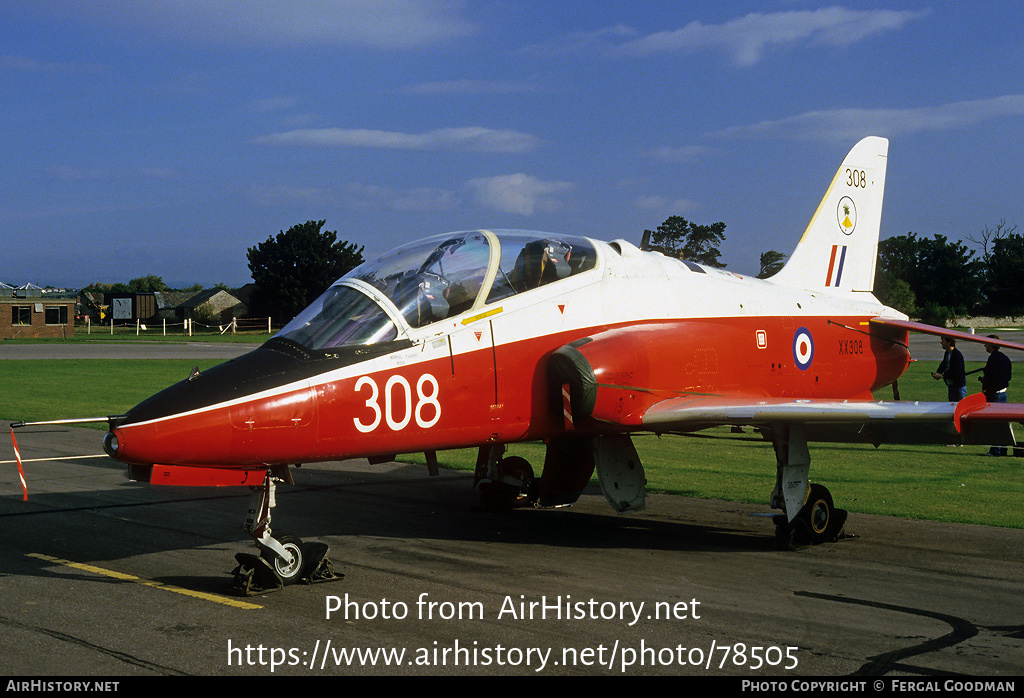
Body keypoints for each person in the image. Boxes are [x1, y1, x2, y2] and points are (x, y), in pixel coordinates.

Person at [980, 335, 1012, 456]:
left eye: (986, 344)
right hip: (1003, 392)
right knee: (1002, 422)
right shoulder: (1005, 358)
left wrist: (986, 387)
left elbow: (991, 377)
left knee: (994, 423)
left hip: (994, 394)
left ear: (991, 344)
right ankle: (1003, 449)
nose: (984, 346)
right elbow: (1008, 376)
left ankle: (995, 450)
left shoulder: (993, 359)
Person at [931, 336, 967, 401]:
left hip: (958, 387)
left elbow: (956, 373)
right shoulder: (947, 353)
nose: (941, 343)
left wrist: (942, 376)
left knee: (957, 408)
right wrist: (938, 372)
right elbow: (943, 364)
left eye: (943, 341)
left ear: (949, 342)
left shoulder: (957, 355)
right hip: (952, 386)